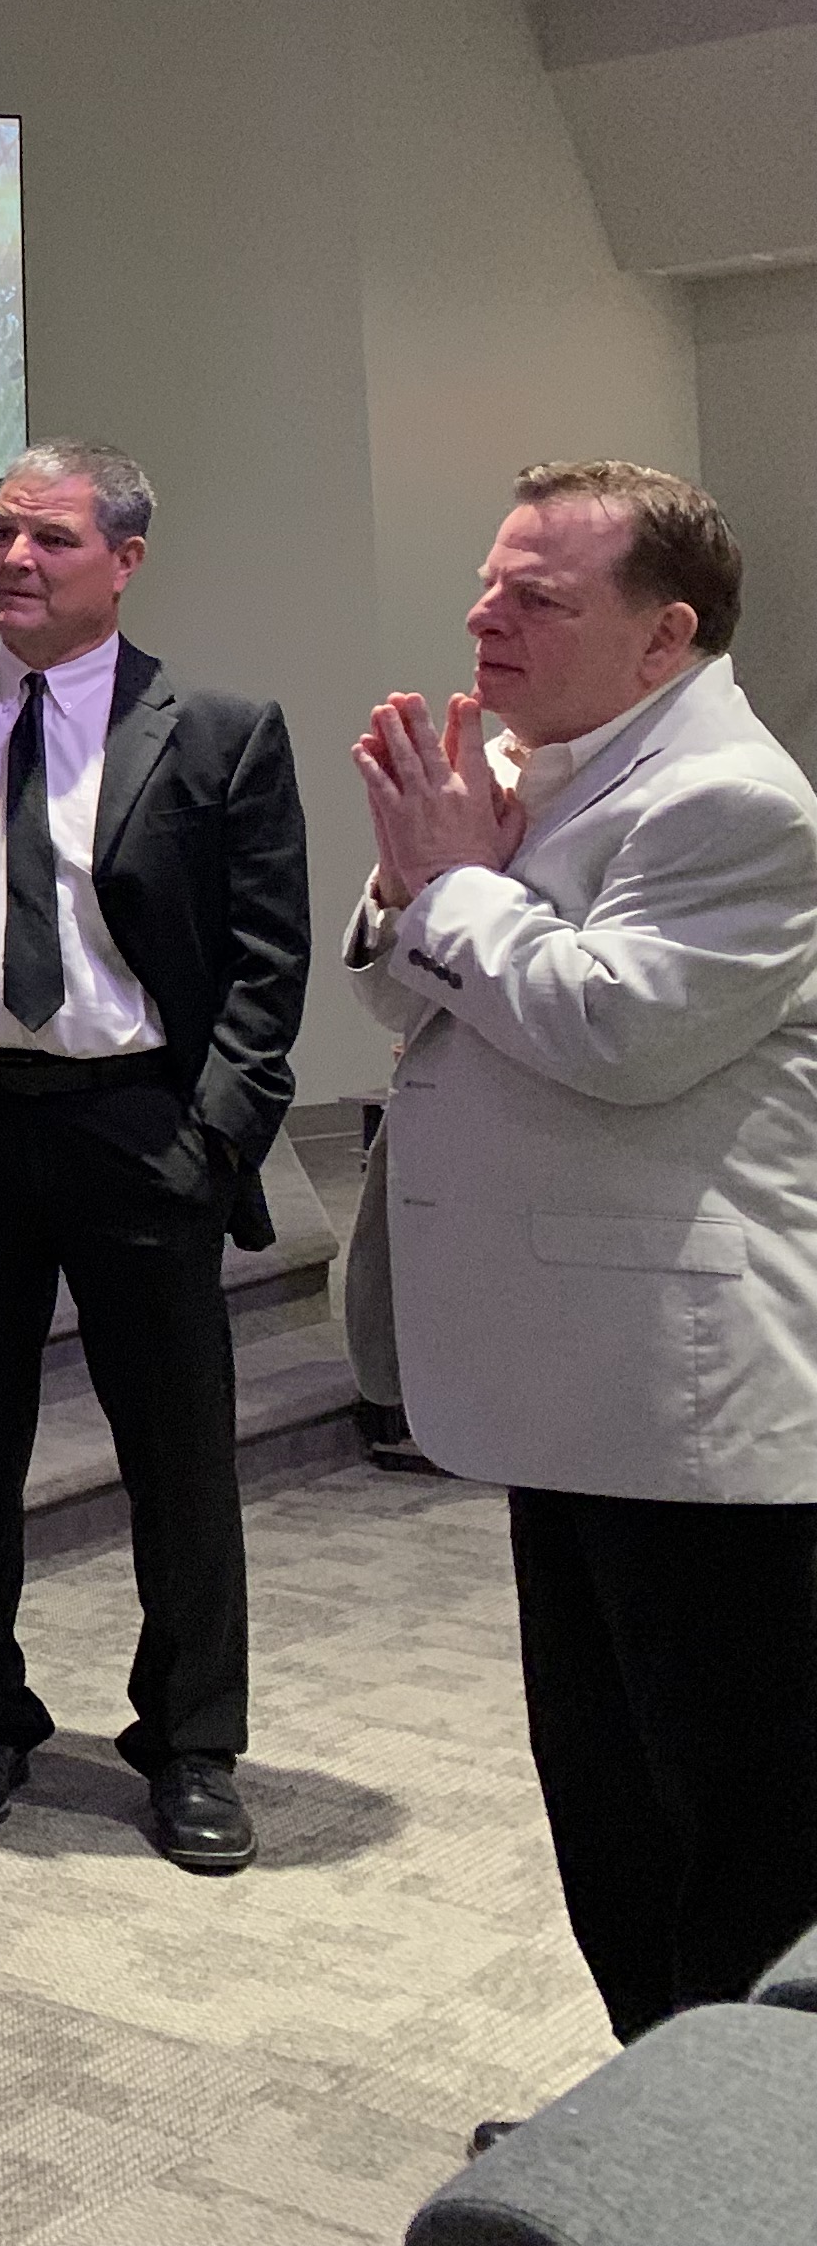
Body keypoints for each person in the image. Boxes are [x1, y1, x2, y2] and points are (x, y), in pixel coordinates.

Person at [345, 461, 817, 2052]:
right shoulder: (533, 766)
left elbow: (616, 1033)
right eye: (492, 582)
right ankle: (646, 2107)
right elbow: (406, 996)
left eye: (538, 597)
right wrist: (422, 882)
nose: (486, 614)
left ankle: (739, 2142)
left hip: (688, 1417)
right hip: (568, 1383)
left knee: (737, 1827)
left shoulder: (733, 801)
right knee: (607, 1805)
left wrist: (452, 884)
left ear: (663, 634)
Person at [0, 439, 308, 1869]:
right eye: (2, 535)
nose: (15, 560)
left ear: (125, 562)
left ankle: (191, 1743)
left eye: (52, 540)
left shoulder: (219, 729)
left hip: (136, 1128)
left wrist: (216, 1134)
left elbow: (267, 962)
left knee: (178, 1458)